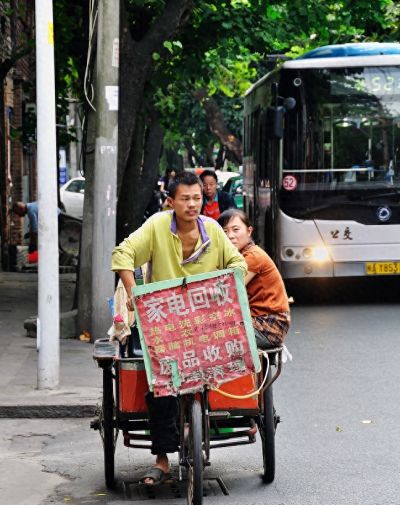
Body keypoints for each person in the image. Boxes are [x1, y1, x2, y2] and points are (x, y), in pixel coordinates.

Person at [111, 171, 247, 485]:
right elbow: (123, 255)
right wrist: (134, 292)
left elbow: (238, 264)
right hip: (163, 323)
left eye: (197, 198)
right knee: (161, 388)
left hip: (204, 321)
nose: (192, 204)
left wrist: (223, 287)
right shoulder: (157, 225)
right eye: (185, 199)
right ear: (172, 201)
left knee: (215, 368)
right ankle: (161, 460)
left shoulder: (213, 229)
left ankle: (198, 422)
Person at [217, 208, 290, 349]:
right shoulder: (237, 256)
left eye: (235, 229)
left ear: (249, 231)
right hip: (254, 320)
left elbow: (228, 290)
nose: (230, 236)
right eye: (224, 232)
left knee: (215, 340)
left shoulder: (252, 256)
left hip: (268, 325)